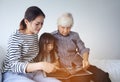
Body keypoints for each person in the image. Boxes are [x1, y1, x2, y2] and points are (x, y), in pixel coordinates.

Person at [2, 6, 61, 82]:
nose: (40, 27)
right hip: (13, 73)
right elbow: (14, 66)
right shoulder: (15, 37)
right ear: (26, 22)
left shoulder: (34, 34)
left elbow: (32, 57)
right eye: (37, 24)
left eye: (42, 24)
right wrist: (41, 65)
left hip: (32, 72)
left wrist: (50, 64)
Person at [52, 13, 111, 82]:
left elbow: (83, 49)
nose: (65, 31)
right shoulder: (52, 36)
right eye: (62, 27)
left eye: (68, 28)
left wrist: (85, 60)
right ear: (58, 25)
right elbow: (47, 52)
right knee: (83, 79)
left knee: (102, 76)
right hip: (63, 68)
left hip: (78, 65)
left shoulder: (74, 35)